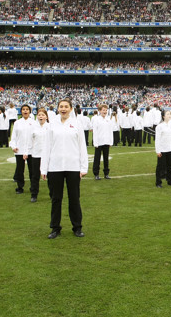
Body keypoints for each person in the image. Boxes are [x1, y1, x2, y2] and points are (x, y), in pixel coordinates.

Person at [41, 99, 88, 239]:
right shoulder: (52, 125)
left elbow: (82, 147)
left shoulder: (77, 125)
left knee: (74, 198)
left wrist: (83, 167)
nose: (63, 109)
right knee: (56, 198)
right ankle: (55, 228)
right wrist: (44, 168)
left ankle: (77, 227)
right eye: (61, 106)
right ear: (57, 108)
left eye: (66, 107)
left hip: (73, 166)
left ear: (71, 108)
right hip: (55, 167)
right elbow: (47, 147)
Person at [9, 104, 35, 195]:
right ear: (21, 111)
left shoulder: (34, 123)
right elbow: (14, 136)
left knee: (32, 170)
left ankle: (33, 187)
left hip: (31, 150)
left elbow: (35, 137)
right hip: (19, 150)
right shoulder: (17, 123)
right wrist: (13, 146)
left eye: (27, 109)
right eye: (23, 109)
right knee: (20, 170)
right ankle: (20, 187)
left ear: (29, 111)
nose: (25, 111)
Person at [27, 108, 50, 202]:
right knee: (35, 176)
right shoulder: (33, 127)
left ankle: (52, 193)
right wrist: (27, 152)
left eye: (43, 115)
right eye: (39, 115)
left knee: (51, 176)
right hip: (36, 154)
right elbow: (29, 141)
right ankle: (34, 194)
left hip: (48, 155)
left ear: (46, 117)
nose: (41, 117)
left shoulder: (50, 127)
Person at [155, 109, 171, 188]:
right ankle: (158, 182)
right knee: (160, 166)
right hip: (162, 149)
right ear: (163, 116)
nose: (169, 115)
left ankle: (169, 180)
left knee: (168, 166)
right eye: (167, 114)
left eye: (169, 114)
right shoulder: (159, 126)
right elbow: (158, 139)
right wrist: (158, 150)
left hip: (169, 149)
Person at [92, 104, 113, 180]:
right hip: (99, 142)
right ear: (100, 111)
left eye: (106, 110)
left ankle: (106, 173)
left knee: (106, 158)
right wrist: (95, 143)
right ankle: (96, 174)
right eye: (103, 110)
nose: (105, 111)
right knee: (97, 159)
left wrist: (111, 142)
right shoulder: (97, 120)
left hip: (106, 142)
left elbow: (110, 131)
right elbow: (95, 132)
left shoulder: (108, 120)